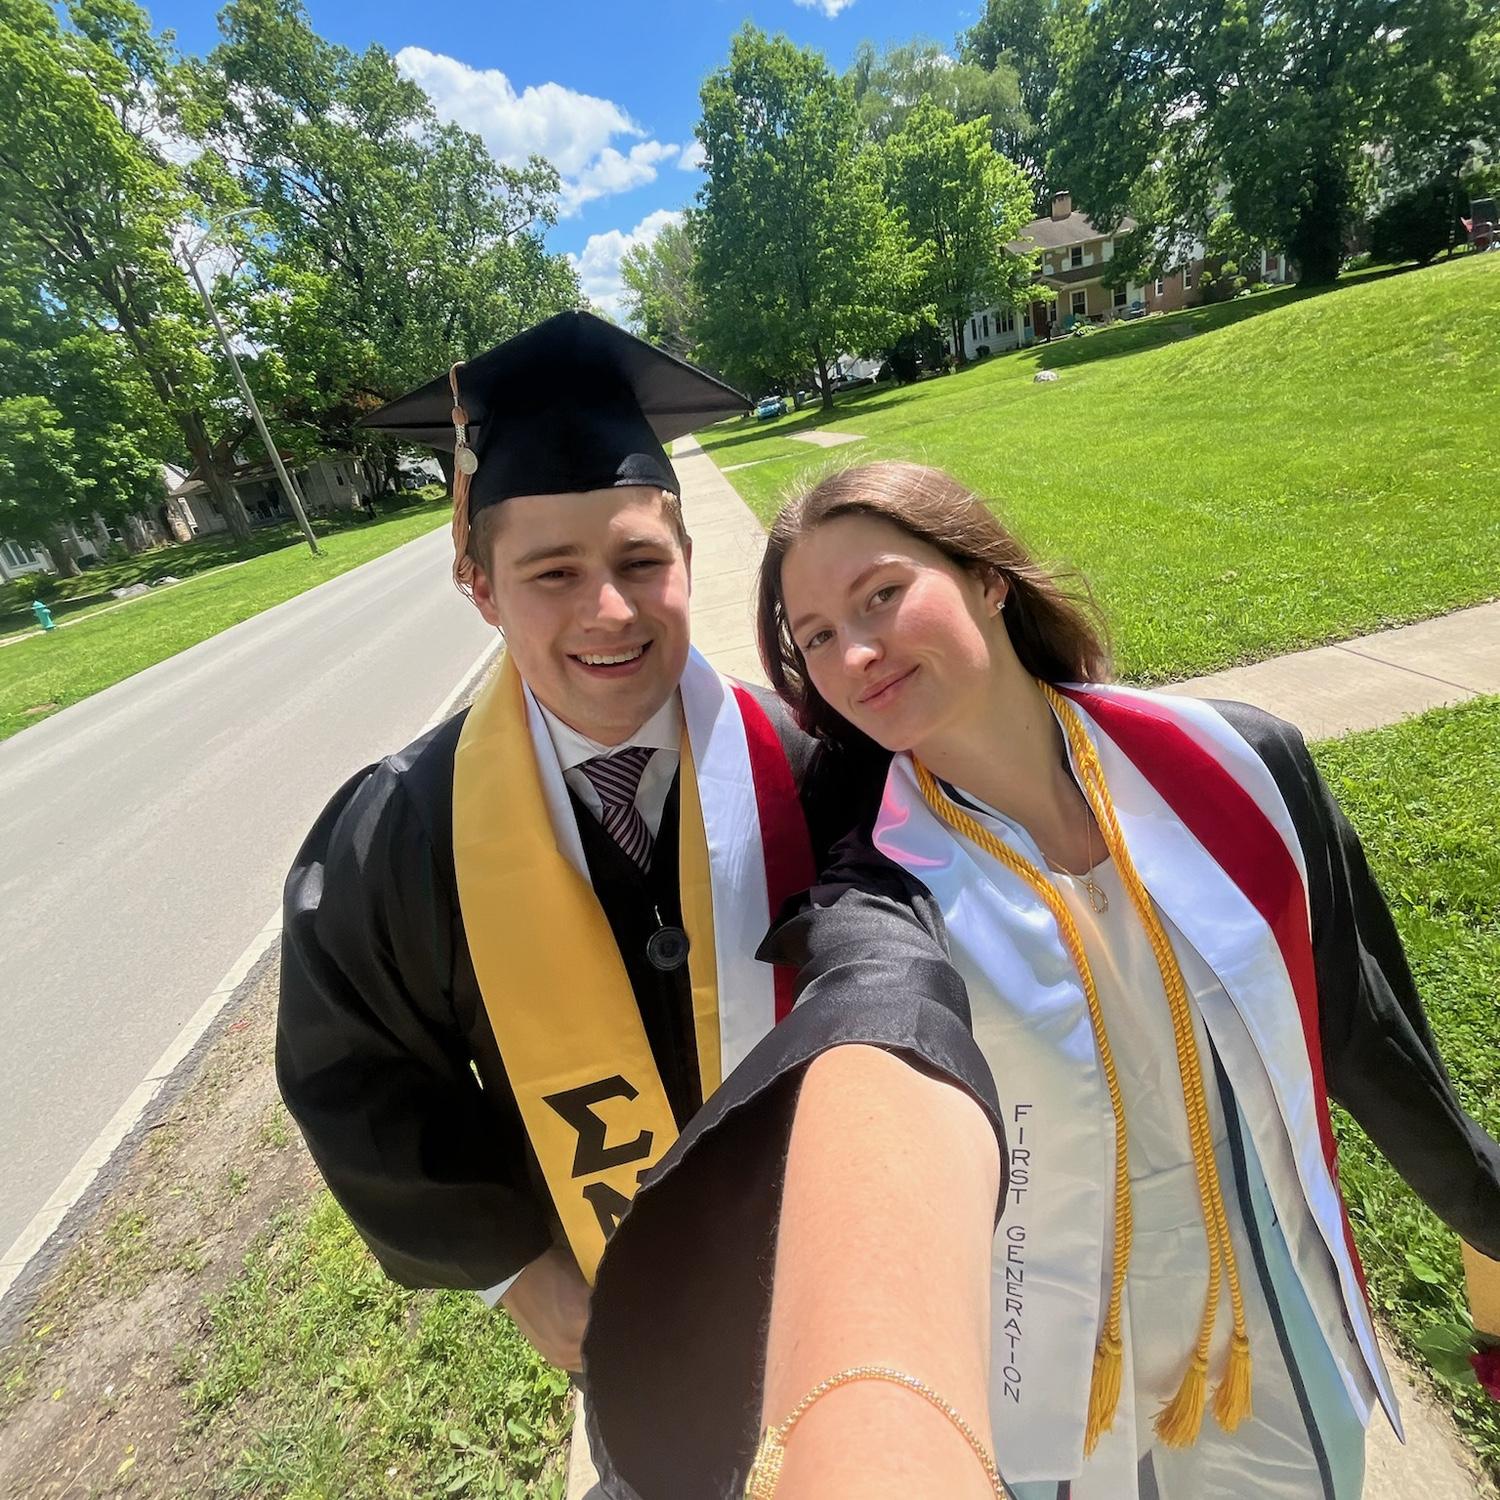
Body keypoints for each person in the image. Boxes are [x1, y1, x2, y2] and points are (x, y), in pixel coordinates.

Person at [582, 460, 1500, 1499]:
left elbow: (1364, 1037)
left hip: (1275, 1348)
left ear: (987, 577)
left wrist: (1490, 1218)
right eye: (818, 637)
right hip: (1059, 1398)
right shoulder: (887, 891)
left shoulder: (1242, 769)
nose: (858, 653)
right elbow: (875, 1056)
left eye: (881, 594)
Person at [275, 321, 998, 1497]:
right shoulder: (399, 836)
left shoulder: (815, 763)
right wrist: (514, 1269)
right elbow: (354, 1073)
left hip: (843, 1280)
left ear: (686, 560)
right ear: (478, 587)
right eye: (552, 573)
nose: (610, 611)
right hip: (629, 1329)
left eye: (641, 561)